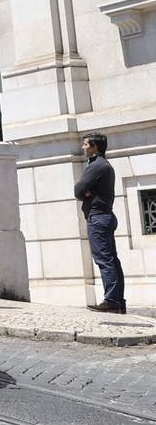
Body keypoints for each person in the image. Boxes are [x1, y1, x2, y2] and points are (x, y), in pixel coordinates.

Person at [76, 132, 125, 313]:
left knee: (104, 260)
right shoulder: (104, 165)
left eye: (86, 144)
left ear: (95, 147)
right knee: (112, 260)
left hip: (98, 218)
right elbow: (82, 189)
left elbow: (78, 189)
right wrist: (85, 192)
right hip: (105, 216)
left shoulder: (97, 166)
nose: (83, 147)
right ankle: (118, 300)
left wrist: (84, 193)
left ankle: (111, 301)